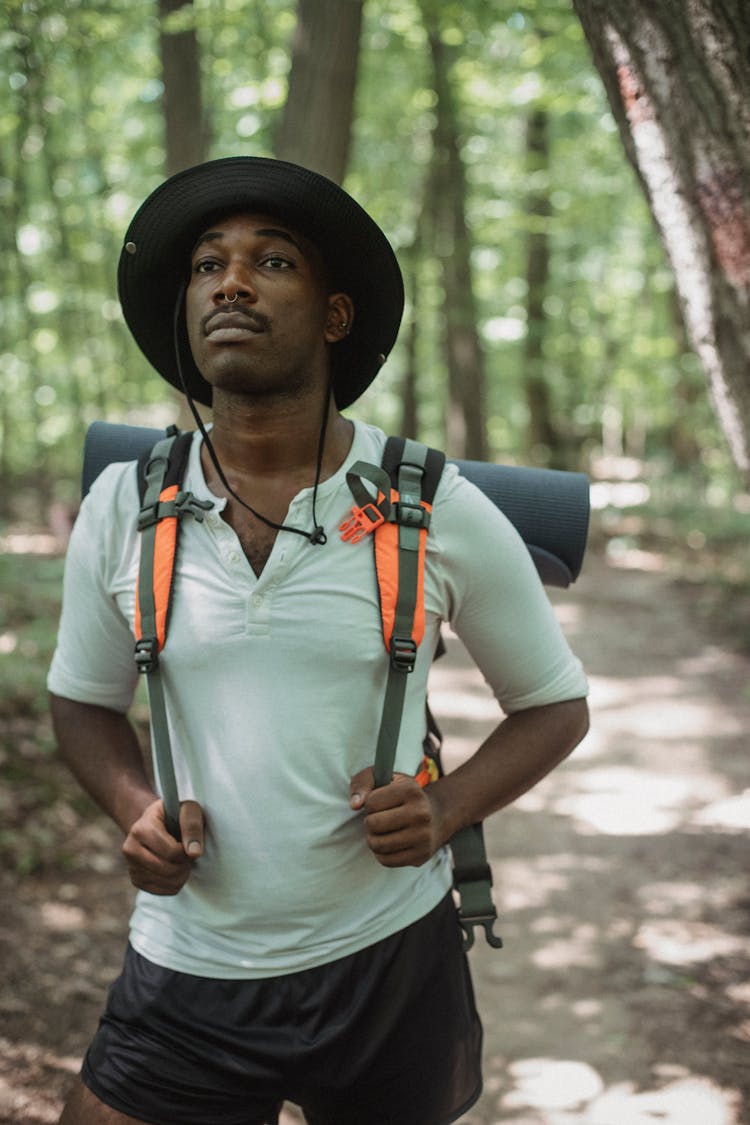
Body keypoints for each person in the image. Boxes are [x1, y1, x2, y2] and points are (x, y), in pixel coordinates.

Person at [48, 156, 589, 1125]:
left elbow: (554, 705)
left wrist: (447, 805)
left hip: (390, 965)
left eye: (273, 262)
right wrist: (135, 805)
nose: (230, 281)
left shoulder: (431, 506)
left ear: (336, 317)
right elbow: (82, 701)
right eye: (208, 264)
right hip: (189, 967)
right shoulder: (123, 507)